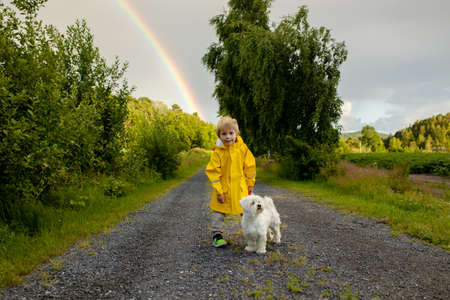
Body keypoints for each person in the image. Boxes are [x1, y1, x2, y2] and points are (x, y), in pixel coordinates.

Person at [205, 116, 256, 248]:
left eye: (231, 133)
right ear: (219, 136)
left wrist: (250, 185)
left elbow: (250, 167)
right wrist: (219, 190)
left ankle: (252, 235)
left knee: (246, 211)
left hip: (240, 188)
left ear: (236, 134)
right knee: (219, 212)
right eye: (224, 134)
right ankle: (217, 236)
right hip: (224, 189)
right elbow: (213, 172)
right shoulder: (218, 153)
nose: (228, 137)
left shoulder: (242, 149)